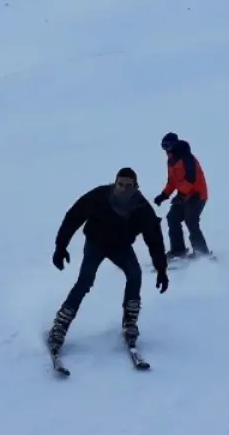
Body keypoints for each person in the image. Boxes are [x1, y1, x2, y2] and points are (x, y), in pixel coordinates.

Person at [46, 167, 169, 355]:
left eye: (129, 185)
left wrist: (161, 268)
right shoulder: (100, 196)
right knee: (85, 281)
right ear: (115, 183)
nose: (124, 189)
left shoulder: (142, 208)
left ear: (136, 186)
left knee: (135, 274)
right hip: (96, 243)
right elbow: (74, 216)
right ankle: (59, 327)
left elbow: (154, 239)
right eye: (120, 184)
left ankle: (130, 323)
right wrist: (61, 246)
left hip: (120, 246)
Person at [154, 132, 211, 259]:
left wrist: (181, 194)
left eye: (167, 146)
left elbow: (191, 179)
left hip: (197, 195)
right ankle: (178, 250)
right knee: (172, 218)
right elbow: (172, 181)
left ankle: (202, 253)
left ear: (175, 144)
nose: (165, 149)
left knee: (191, 220)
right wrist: (163, 195)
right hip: (183, 196)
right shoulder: (171, 160)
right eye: (163, 146)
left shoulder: (187, 157)